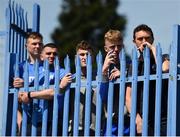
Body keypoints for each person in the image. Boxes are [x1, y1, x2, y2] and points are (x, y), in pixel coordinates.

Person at [15, 41, 72, 135]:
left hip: (53, 121)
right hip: (31, 120)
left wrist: (30, 95)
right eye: (48, 53)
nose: (52, 56)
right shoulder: (32, 72)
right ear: (41, 56)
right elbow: (20, 96)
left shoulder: (62, 72)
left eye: (55, 54)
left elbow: (55, 93)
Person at [125, 24, 169, 135]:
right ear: (134, 42)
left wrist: (153, 49)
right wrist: (137, 119)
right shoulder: (134, 65)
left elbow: (164, 69)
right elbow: (128, 97)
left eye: (147, 38)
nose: (144, 42)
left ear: (152, 39)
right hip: (142, 117)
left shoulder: (164, 57)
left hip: (163, 117)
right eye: (140, 39)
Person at [100, 29, 130, 136]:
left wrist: (124, 76)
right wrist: (104, 71)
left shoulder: (131, 65)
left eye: (119, 46)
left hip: (128, 120)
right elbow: (102, 97)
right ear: (106, 49)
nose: (116, 49)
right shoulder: (100, 67)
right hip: (110, 122)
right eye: (112, 47)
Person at [68, 40, 97, 136]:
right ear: (76, 58)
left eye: (87, 55)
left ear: (92, 58)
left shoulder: (99, 78)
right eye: (81, 55)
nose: (84, 58)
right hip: (76, 129)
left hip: (96, 129)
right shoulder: (71, 79)